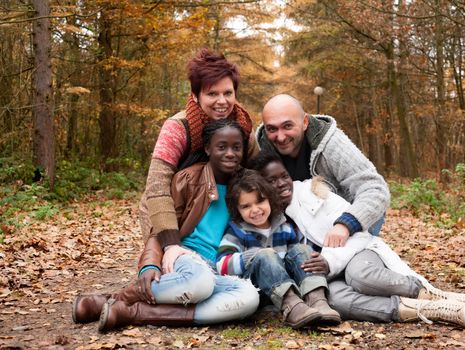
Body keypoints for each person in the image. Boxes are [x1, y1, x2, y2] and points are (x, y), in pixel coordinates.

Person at [250, 152, 465, 328]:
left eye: (283, 176)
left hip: (358, 252)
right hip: (327, 277)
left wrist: (330, 261)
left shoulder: (315, 195)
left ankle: (436, 294)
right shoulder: (265, 218)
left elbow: (359, 236)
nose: (281, 184)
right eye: (271, 181)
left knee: (359, 277)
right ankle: (432, 309)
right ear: (260, 186)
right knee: (336, 301)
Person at [73, 119, 259, 332]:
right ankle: (119, 297)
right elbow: (161, 228)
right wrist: (150, 264)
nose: (230, 153)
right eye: (222, 147)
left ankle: (129, 312)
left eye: (237, 147)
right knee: (200, 283)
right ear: (208, 148)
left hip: (218, 268)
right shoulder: (188, 179)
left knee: (249, 297)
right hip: (184, 259)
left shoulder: (246, 184)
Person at [139, 48, 256, 246]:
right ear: (195, 95)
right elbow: (157, 187)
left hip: (219, 215)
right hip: (172, 212)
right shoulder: (177, 128)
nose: (222, 101)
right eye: (212, 93)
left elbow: (259, 176)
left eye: (228, 93)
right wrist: (170, 245)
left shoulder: (243, 130)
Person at [257, 93, 389, 244]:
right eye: (272, 129)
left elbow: (375, 188)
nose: (280, 137)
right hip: (303, 227)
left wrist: (345, 224)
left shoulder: (331, 144)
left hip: (348, 220)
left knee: (351, 264)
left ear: (305, 122)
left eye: (288, 126)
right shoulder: (262, 152)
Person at [216, 170, 341, 328]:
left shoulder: (285, 227)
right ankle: (291, 306)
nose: (255, 210)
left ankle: (316, 300)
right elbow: (222, 265)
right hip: (261, 292)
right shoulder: (237, 230)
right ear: (237, 209)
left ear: (269, 199)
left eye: (260, 201)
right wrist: (253, 256)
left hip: (294, 288)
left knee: (303, 249)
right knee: (266, 255)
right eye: (246, 206)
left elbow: (299, 258)